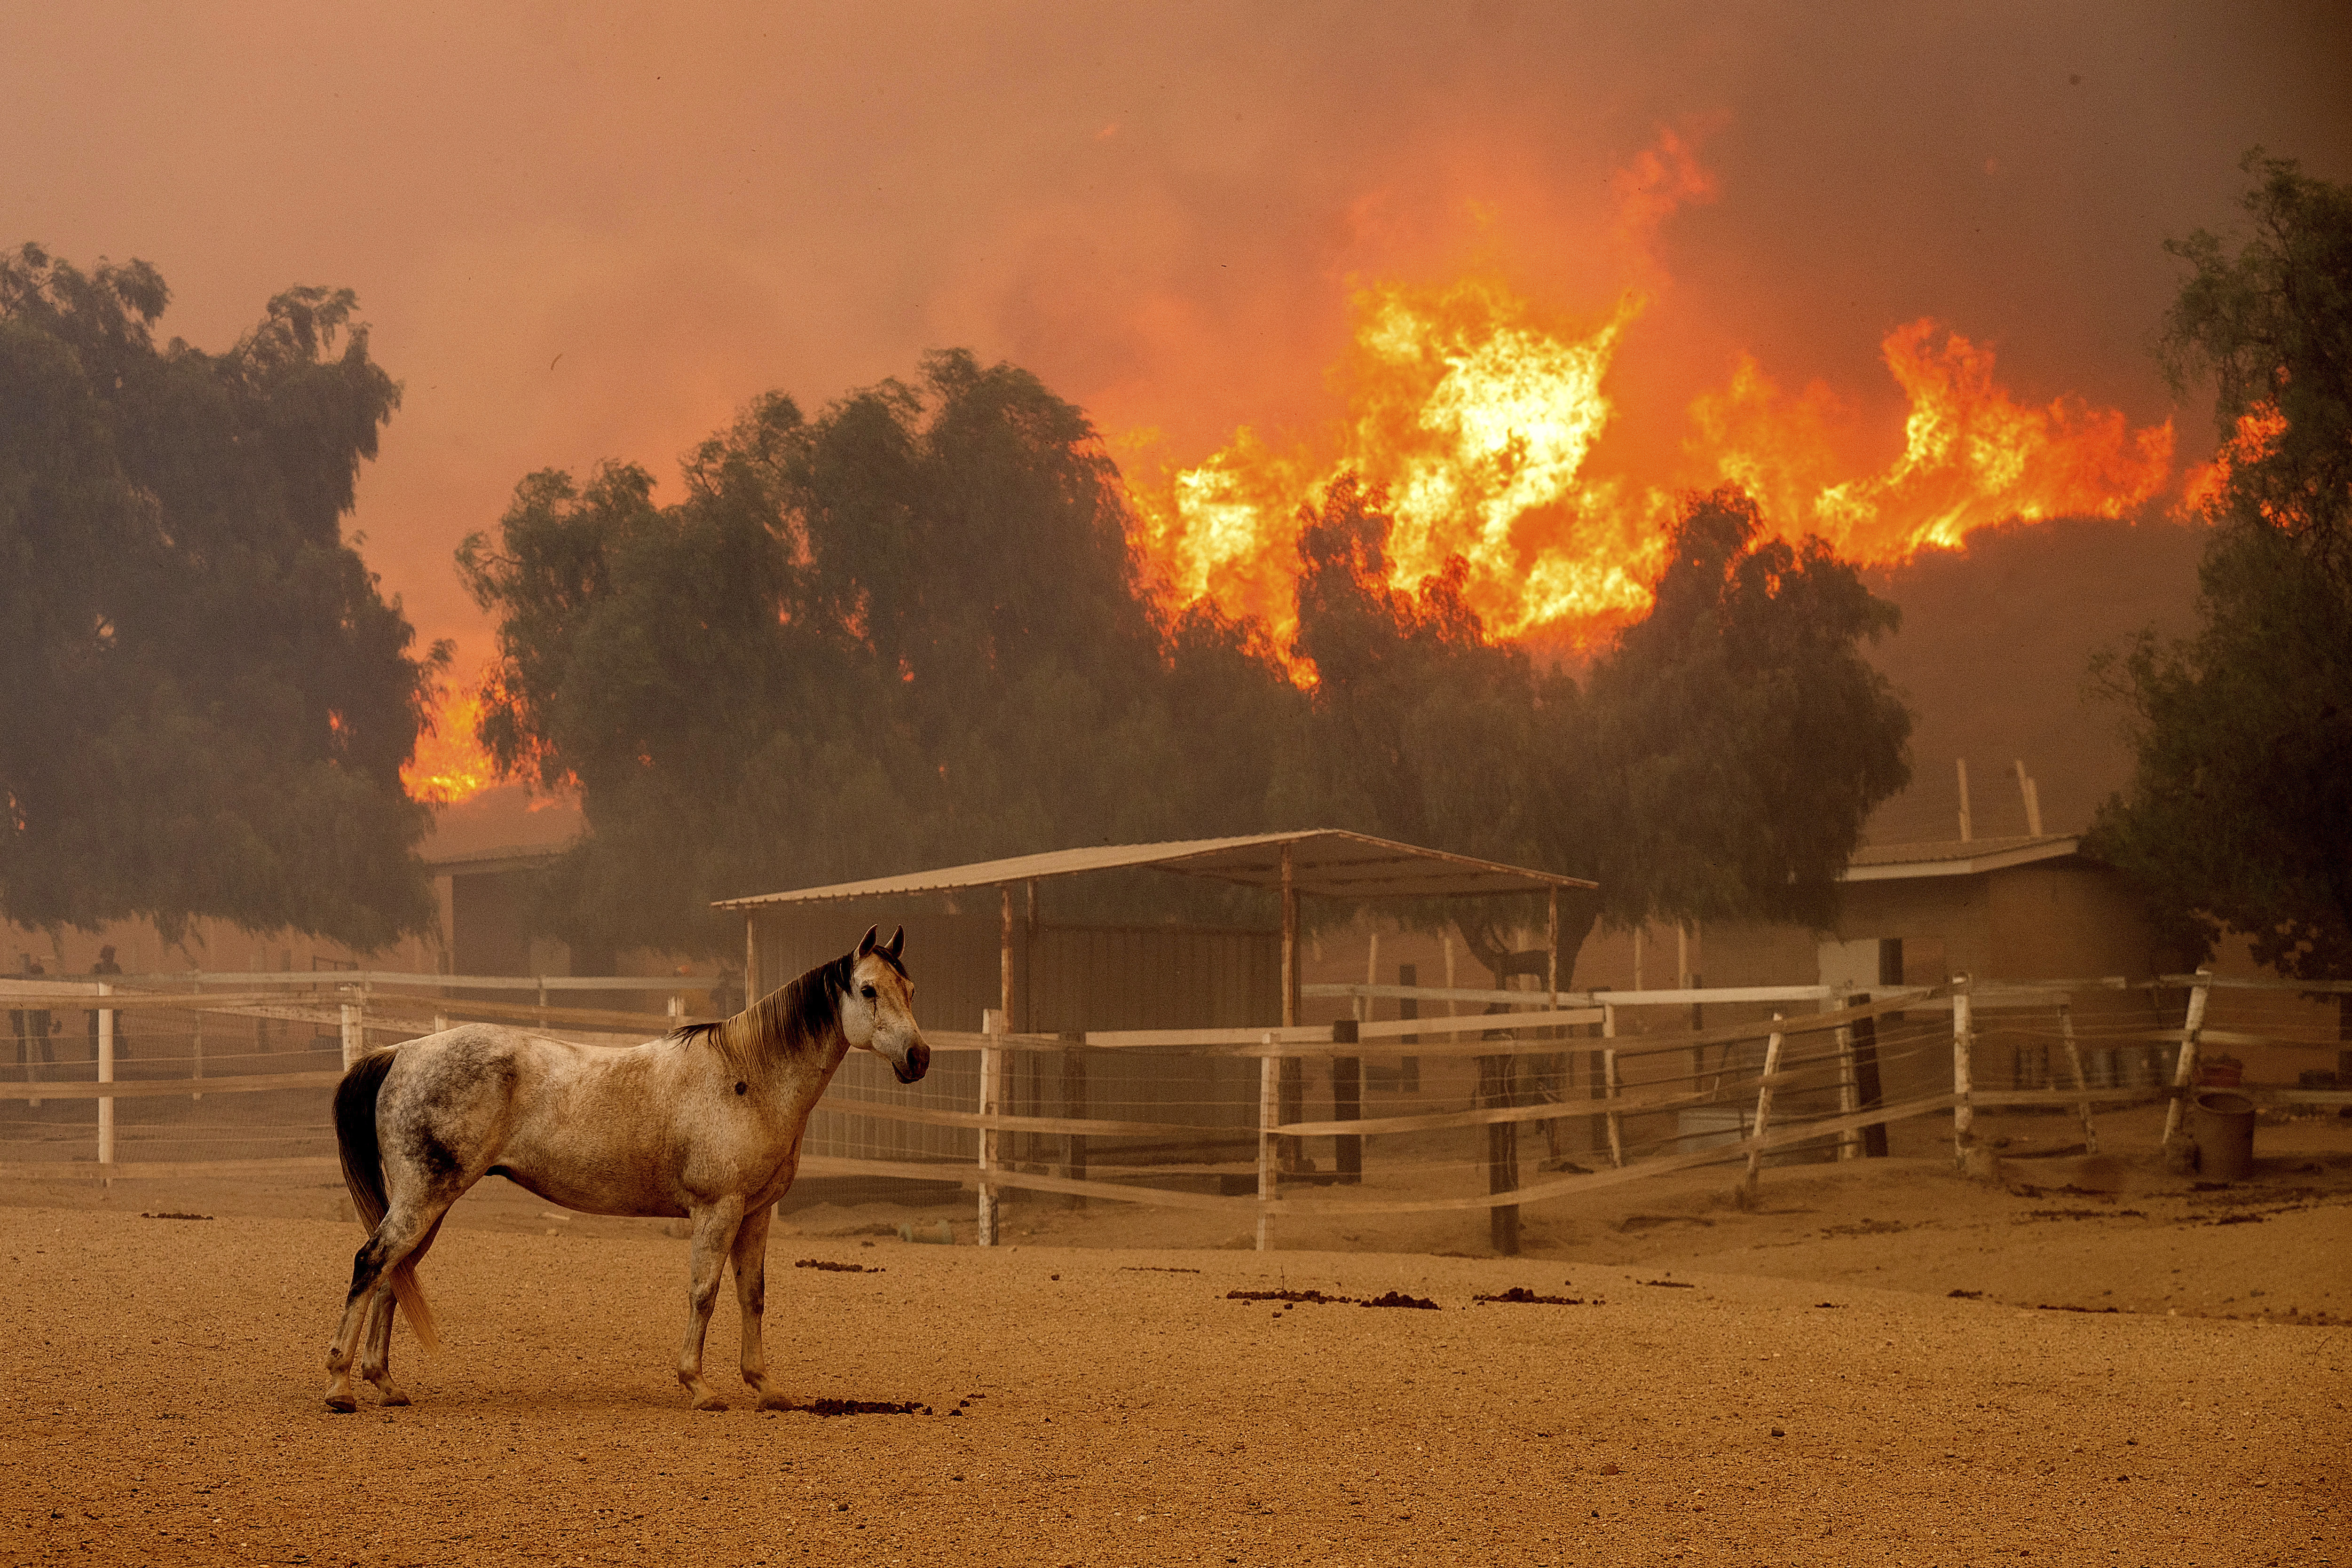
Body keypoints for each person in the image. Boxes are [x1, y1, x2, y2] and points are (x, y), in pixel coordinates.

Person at [87, 945, 127, 1062]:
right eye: (108, 955)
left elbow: (121, 986)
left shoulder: (116, 969)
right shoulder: (96, 969)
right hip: (97, 1008)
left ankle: (120, 1056)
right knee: (96, 1032)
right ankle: (96, 1058)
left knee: (113, 1031)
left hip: (112, 1008)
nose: (109, 958)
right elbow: (90, 987)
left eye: (111, 955)